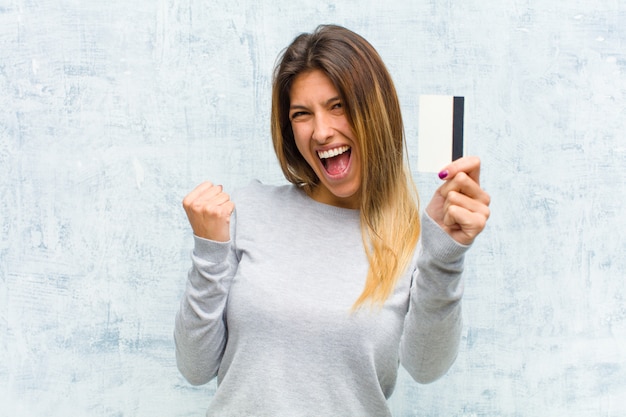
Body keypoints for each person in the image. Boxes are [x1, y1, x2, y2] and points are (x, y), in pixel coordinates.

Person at [174, 24, 491, 417]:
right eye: (302, 114)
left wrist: (445, 257)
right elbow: (195, 367)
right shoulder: (249, 209)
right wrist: (209, 252)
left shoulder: (416, 239)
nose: (322, 132)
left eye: (338, 105)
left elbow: (426, 368)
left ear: (374, 111)